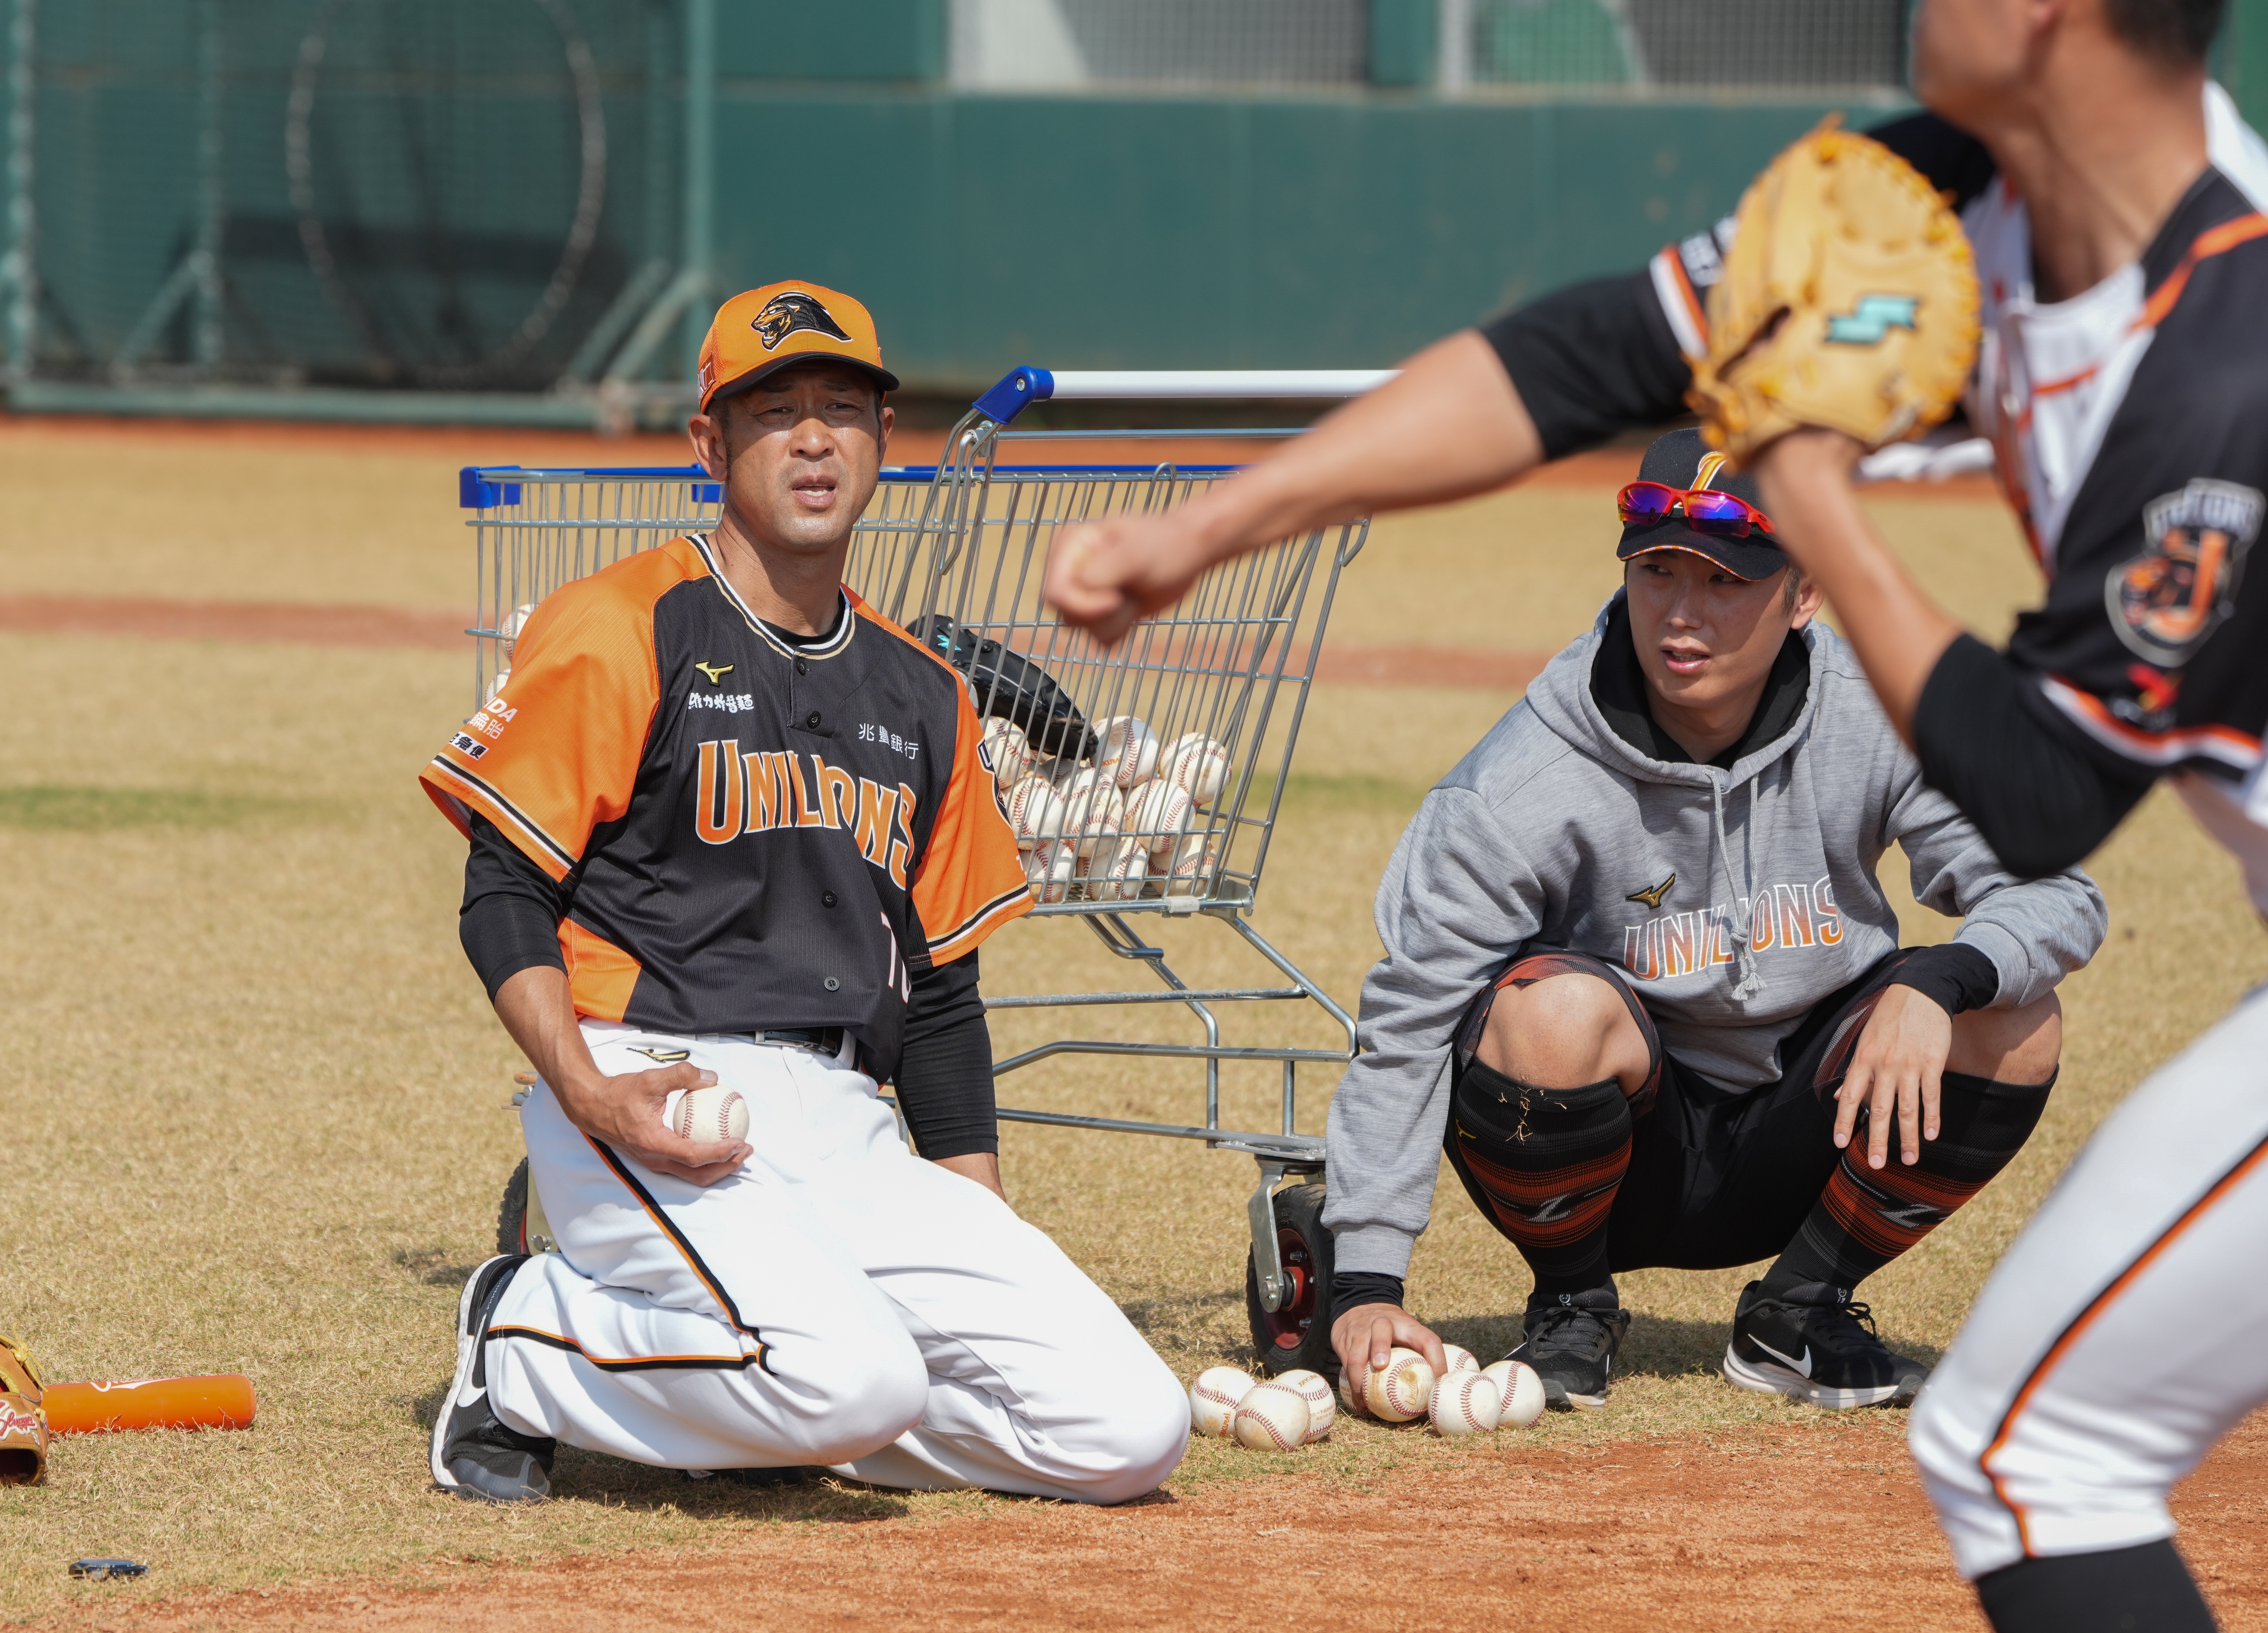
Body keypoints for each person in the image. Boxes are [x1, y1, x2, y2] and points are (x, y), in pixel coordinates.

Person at [1043, 2, 2268, 1625]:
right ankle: (1602, 1296)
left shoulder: (2228, 355)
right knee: (2031, 1450)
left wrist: (1810, 479)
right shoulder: (1944, 196)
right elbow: (1585, 355)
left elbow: (2043, 794)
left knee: (2034, 1448)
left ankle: (1801, 1300)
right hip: (1677, 1113)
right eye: (1662, 565)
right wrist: (1220, 527)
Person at [418, 280, 1188, 1507]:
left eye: (845, 406)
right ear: (711, 445)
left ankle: (767, 1395)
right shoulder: (623, 624)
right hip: (659, 1085)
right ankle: (522, 1331)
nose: (815, 435)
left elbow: (937, 990)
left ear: (887, 442)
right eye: (774, 410)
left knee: (1131, 1428)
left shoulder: (925, 689)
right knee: (856, 1378)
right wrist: (586, 1087)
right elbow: (502, 882)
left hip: (845, 1112)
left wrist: (978, 1226)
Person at [1322, 427, 2100, 1413]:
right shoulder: (1519, 784)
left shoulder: (1881, 715)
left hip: (1810, 1129)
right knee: (1543, 1013)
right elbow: (1407, 1021)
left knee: (2012, 1012)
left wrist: (1934, 980)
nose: (1681, 616)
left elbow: (2057, 891)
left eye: (1726, 581)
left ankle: (1799, 1311)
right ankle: (1571, 1309)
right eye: (1655, 572)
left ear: (1806, 592)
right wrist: (1362, 1287)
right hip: (1606, 1156)